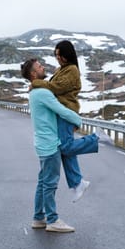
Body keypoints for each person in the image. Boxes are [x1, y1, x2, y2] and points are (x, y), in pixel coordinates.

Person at [31, 40, 98, 202]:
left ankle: (97, 139)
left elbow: (57, 87)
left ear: (68, 54)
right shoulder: (63, 69)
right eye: (56, 55)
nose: (58, 58)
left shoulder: (72, 70)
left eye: (60, 54)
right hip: (62, 114)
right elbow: (54, 86)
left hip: (67, 112)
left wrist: (36, 83)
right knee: (65, 149)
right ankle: (77, 183)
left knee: (64, 147)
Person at [21, 58, 82, 233]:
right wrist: (78, 120)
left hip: (42, 143)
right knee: (50, 184)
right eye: (40, 67)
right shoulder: (42, 93)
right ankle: (53, 220)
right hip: (49, 144)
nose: (43, 68)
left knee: (43, 182)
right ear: (34, 73)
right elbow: (61, 110)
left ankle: (38, 217)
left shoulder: (35, 92)